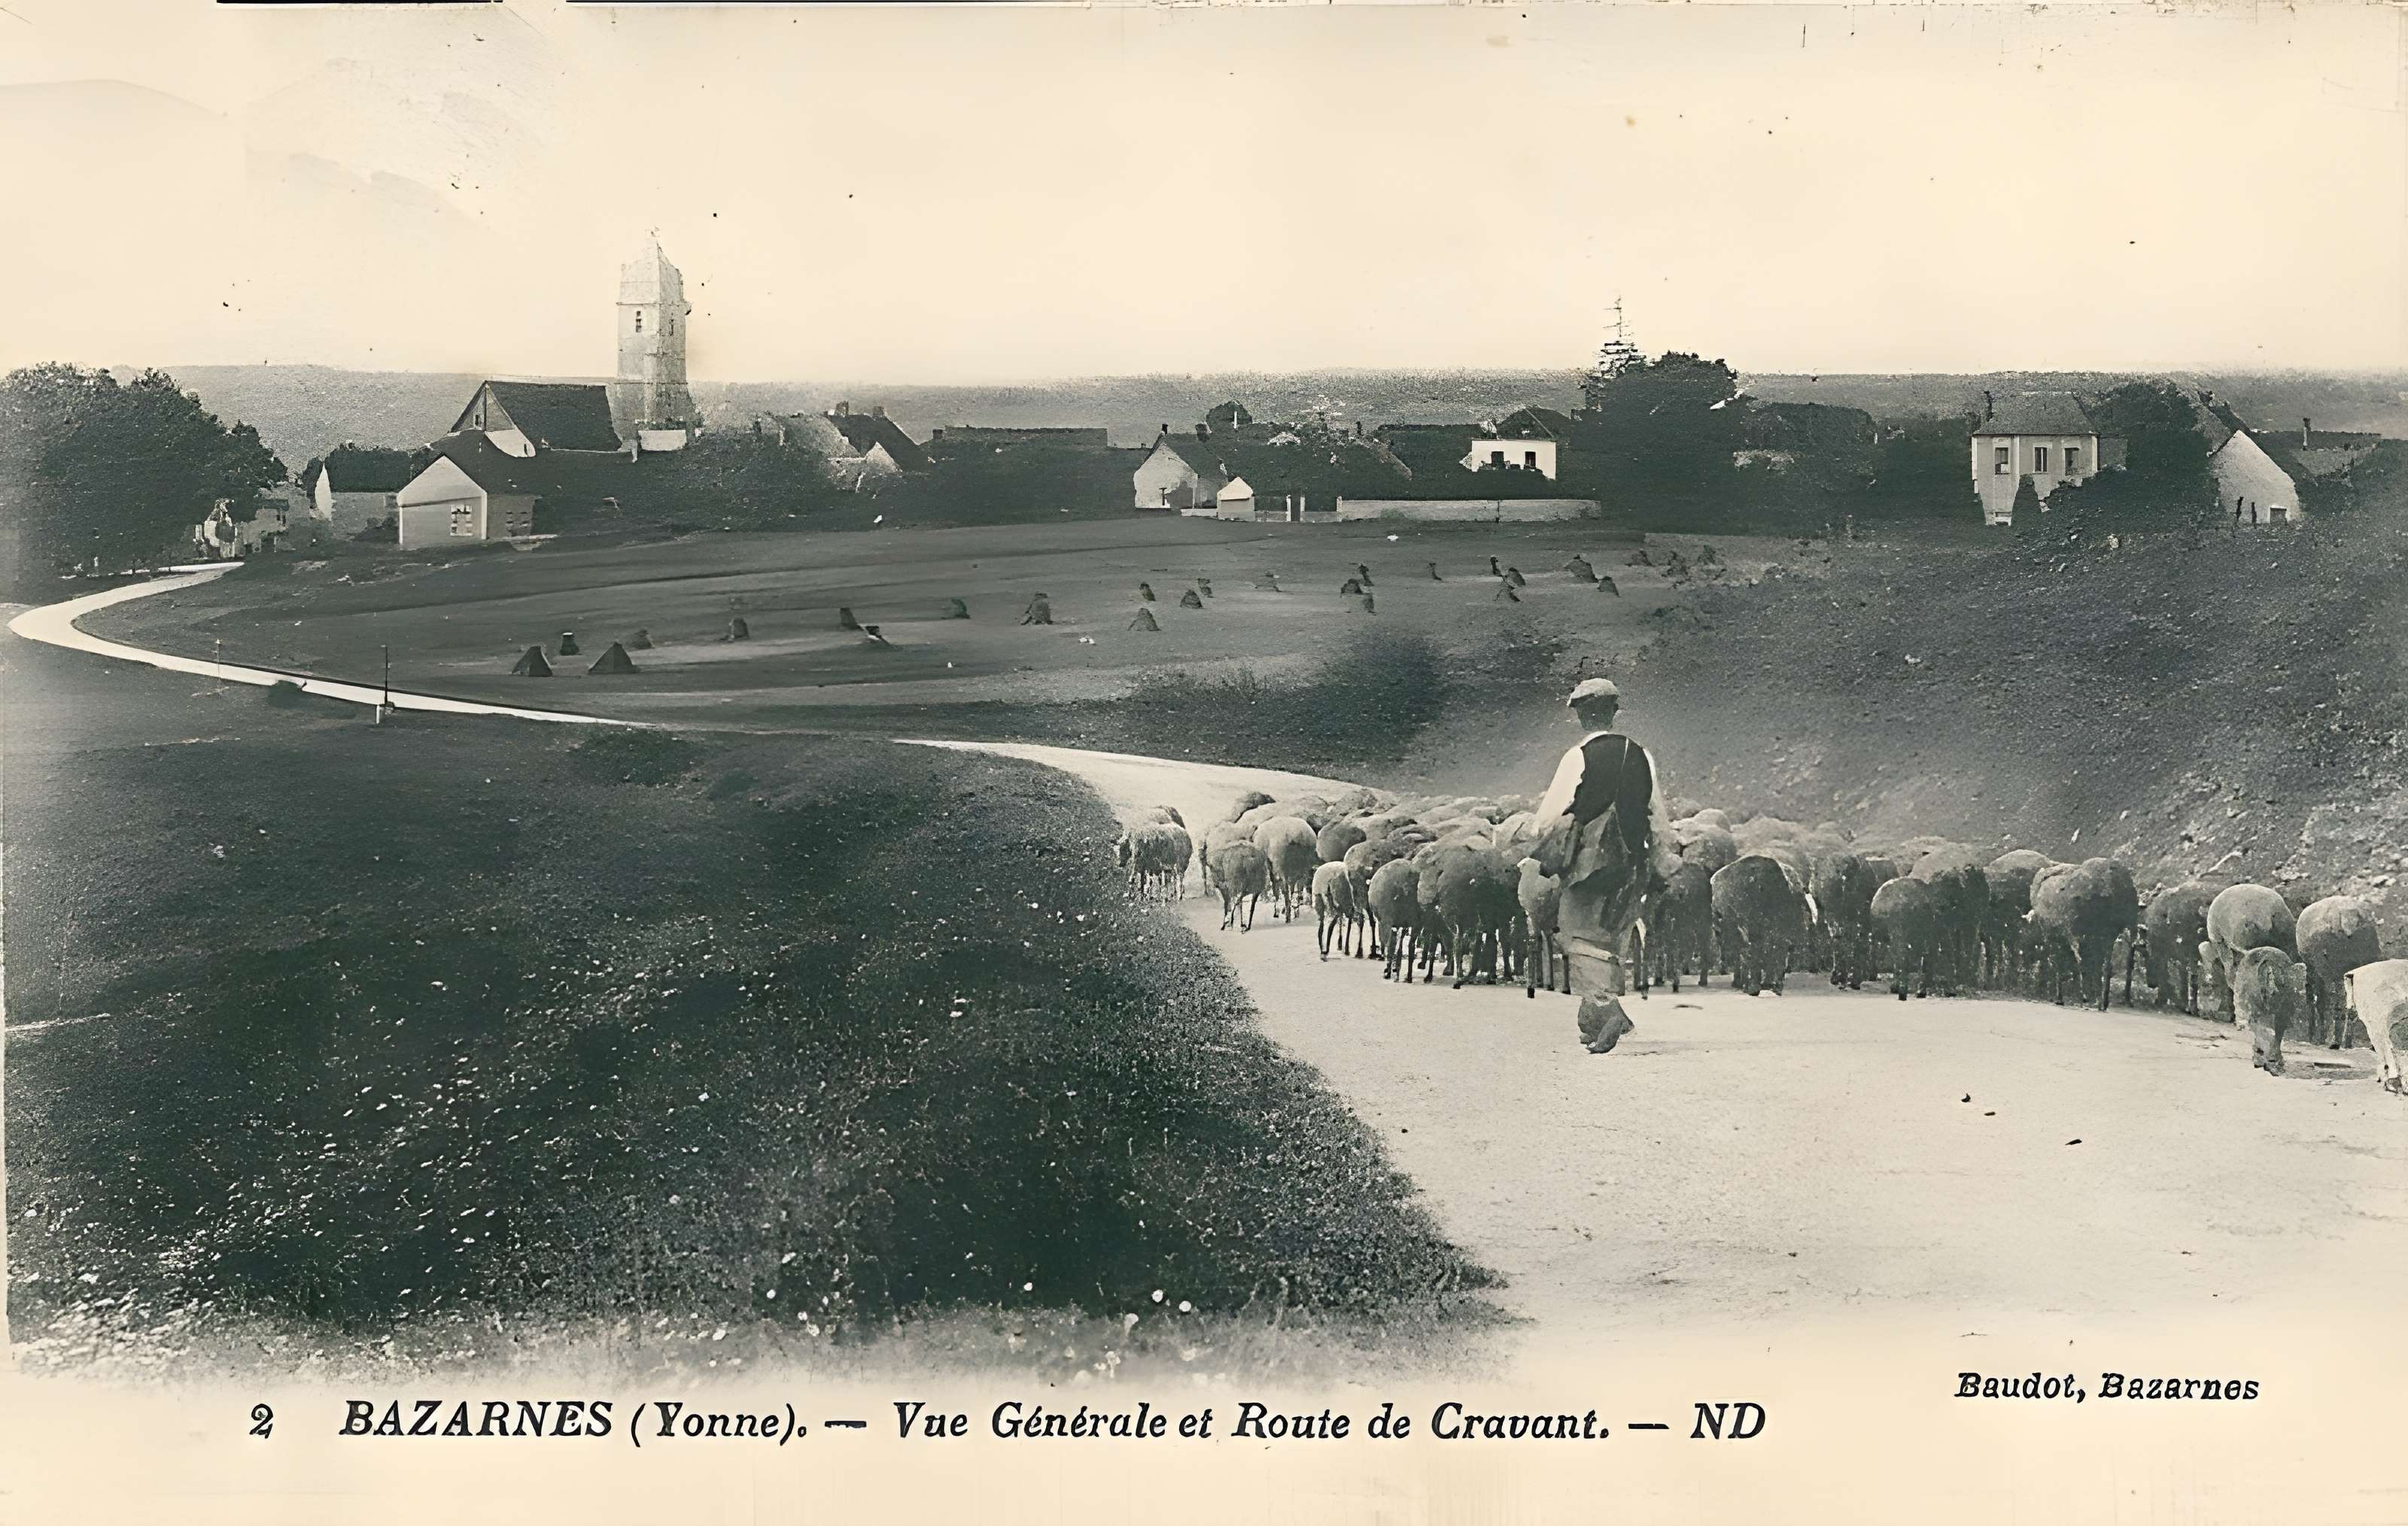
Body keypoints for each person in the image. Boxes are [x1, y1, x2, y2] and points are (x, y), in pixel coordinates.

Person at [1531, 679, 1682, 1054]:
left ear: (1581, 715)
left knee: (1577, 933)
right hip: (1633, 859)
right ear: (1614, 712)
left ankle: (1607, 1010)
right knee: (1614, 933)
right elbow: (1658, 813)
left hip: (1588, 863)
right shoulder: (1641, 754)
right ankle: (1594, 1019)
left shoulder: (1578, 756)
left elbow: (1547, 818)